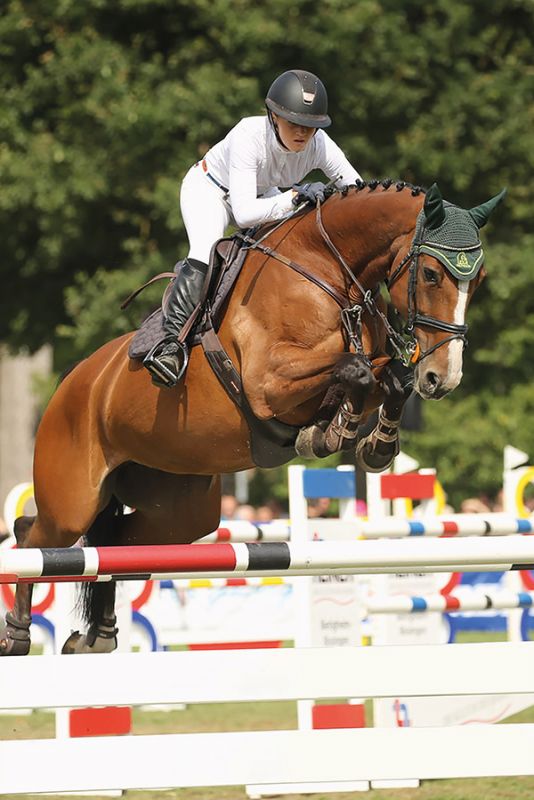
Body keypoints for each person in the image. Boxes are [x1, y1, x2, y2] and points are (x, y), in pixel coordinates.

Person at [144, 69, 363, 388]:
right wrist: (296, 196)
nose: (303, 133)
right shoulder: (249, 135)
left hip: (264, 195)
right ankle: (170, 346)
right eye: (294, 124)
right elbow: (245, 214)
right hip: (212, 191)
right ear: (274, 118)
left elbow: (356, 189)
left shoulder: (320, 145)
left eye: (311, 127)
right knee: (205, 251)